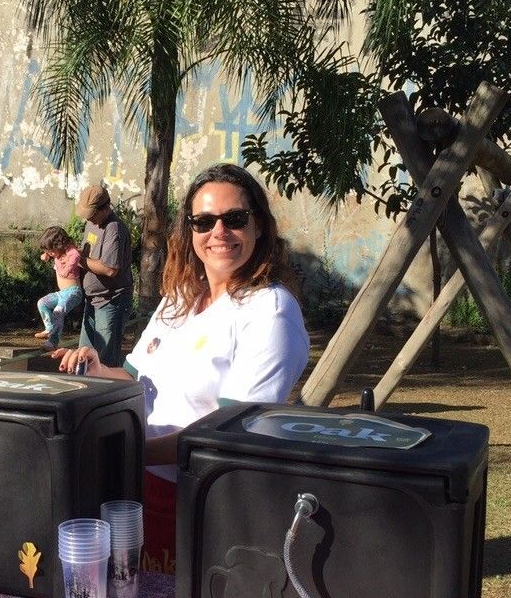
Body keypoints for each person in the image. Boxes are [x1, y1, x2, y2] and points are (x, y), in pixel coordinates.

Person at [56, 164, 309, 571]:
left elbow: (227, 432)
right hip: (136, 493)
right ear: (190, 232)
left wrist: (128, 453)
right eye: (204, 221)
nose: (219, 232)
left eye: (235, 219)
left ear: (258, 226)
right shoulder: (179, 300)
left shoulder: (270, 310)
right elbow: (140, 383)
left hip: (202, 505)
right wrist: (98, 370)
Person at [75, 184, 133, 367]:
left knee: (104, 361)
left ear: (105, 207)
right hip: (92, 300)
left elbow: (110, 269)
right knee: (84, 357)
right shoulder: (92, 225)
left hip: (110, 302)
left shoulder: (113, 229)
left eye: (92, 214)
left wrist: (79, 260)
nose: (89, 219)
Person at [33, 226, 84, 350]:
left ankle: (53, 341)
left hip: (74, 292)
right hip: (62, 293)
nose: (50, 254)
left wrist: (67, 269)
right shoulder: (56, 252)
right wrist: (45, 255)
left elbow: (76, 255)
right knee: (42, 303)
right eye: (48, 251)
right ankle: (49, 328)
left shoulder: (70, 251)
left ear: (59, 245)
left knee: (58, 311)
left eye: (51, 251)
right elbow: (49, 252)